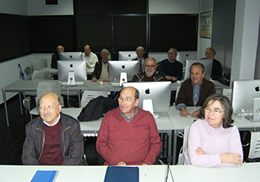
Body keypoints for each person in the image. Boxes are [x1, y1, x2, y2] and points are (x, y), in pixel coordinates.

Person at [96, 87, 162, 165]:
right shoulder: (109, 117)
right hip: (114, 165)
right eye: (121, 98)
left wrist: (147, 162)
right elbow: (101, 144)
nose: (123, 103)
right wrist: (116, 162)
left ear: (136, 102)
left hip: (142, 165)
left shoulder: (147, 117)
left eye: (128, 99)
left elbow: (156, 144)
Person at [22, 92, 84, 165]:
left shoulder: (72, 125)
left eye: (50, 107)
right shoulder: (32, 127)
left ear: (59, 108)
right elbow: (28, 156)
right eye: (42, 107)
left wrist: (63, 171)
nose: (45, 111)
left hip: (66, 167)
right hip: (41, 168)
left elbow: (76, 154)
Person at [184, 94, 243, 167]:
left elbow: (238, 160)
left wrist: (207, 157)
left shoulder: (232, 129)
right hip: (197, 172)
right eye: (207, 109)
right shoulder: (197, 126)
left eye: (216, 110)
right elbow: (195, 160)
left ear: (226, 113)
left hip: (223, 173)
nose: (210, 114)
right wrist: (223, 158)